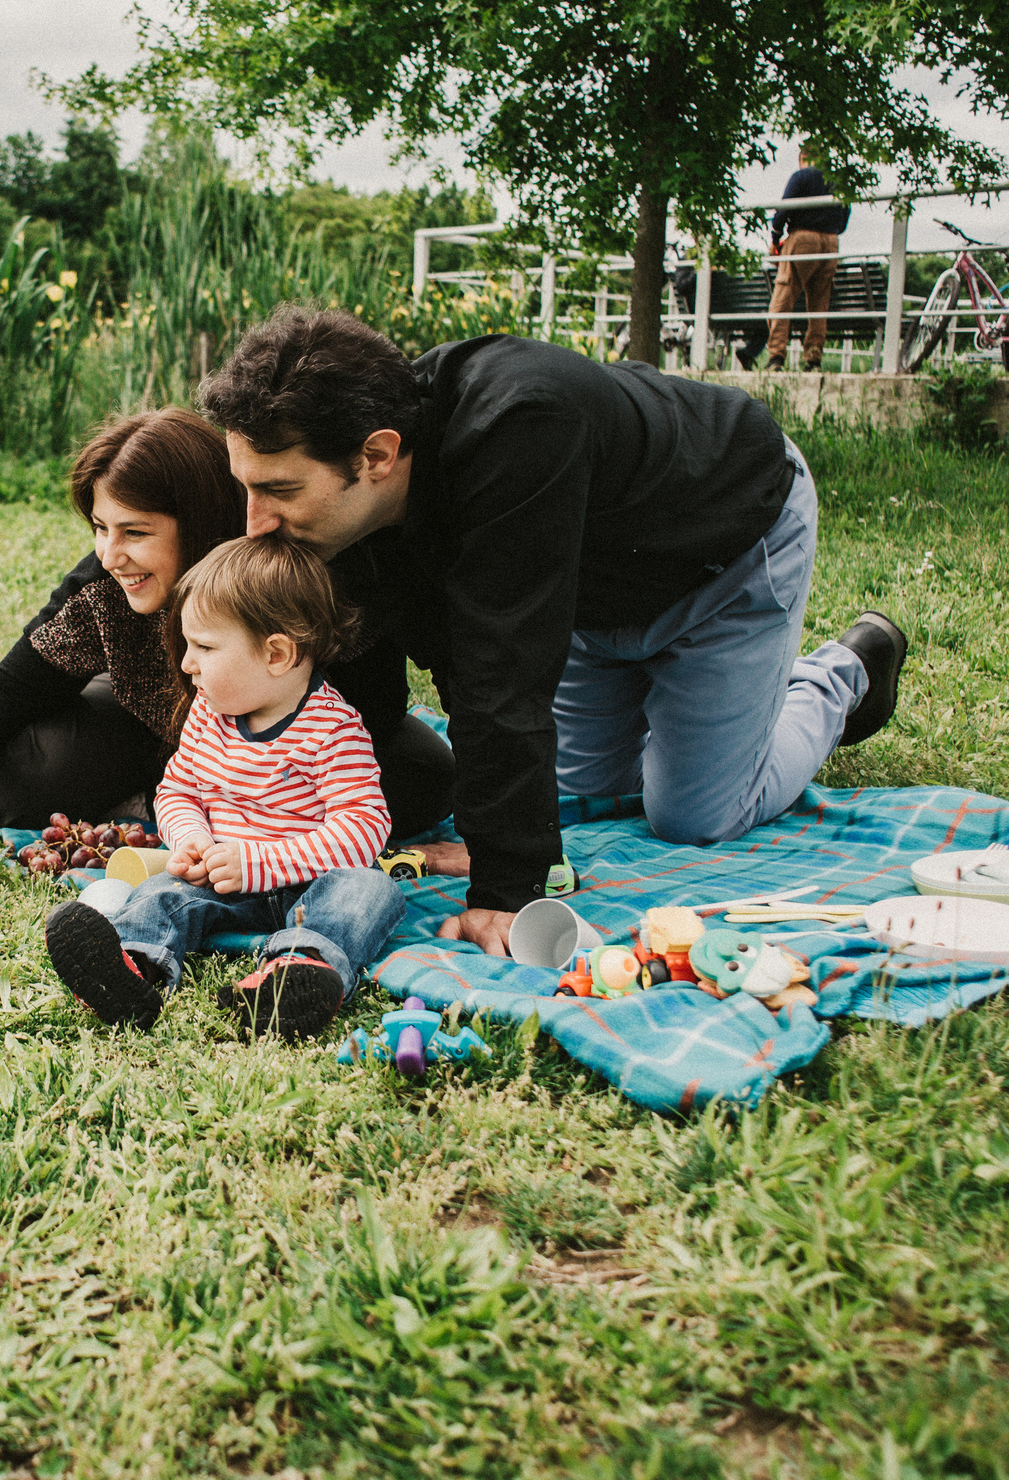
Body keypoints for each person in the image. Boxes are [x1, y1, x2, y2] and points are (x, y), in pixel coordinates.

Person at [199, 306, 909, 960]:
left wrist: (508, 891)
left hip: (720, 554)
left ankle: (846, 672)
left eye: (279, 491)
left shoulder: (517, 426)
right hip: (585, 604)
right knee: (580, 791)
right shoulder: (348, 495)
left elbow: (498, 671)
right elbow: (378, 669)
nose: (255, 519)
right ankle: (701, 710)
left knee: (695, 814)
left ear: (378, 455)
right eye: (247, 487)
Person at [0, 408, 455, 836]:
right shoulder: (104, 585)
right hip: (144, 731)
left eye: (136, 532)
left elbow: (378, 704)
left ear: (199, 522)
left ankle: (158, 805)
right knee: (49, 760)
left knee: (419, 777)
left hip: (285, 757)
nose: (110, 554)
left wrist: (248, 772)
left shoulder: (298, 580)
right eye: (100, 527)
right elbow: (15, 683)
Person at [40, 535, 405, 1037]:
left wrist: (261, 863)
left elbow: (365, 826)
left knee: (370, 889)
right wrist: (191, 837)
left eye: (205, 647)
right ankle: (131, 969)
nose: (187, 663)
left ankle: (300, 971)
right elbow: (177, 790)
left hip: (310, 884)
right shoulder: (210, 716)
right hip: (223, 880)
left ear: (277, 654)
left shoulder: (332, 729)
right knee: (162, 891)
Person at [765, 147, 851, 371]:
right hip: (832, 242)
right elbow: (844, 218)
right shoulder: (837, 181)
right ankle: (813, 359)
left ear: (802, 158)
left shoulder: (801, 176)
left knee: (783, 297)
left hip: (802, 239)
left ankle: (776, 356)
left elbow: (782, 211)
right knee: (819, 303)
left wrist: (775, 238)